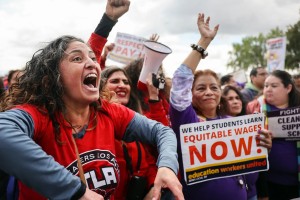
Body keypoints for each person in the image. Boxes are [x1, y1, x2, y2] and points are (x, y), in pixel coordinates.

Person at [0, 34, 184, 200]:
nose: (92, 63)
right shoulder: (39, 115)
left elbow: (162, 132)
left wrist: (167, 166)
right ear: (51, 78)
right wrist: (77, 192)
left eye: (93, 58)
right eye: (77, 58)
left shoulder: (109, 112)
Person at [169, 13, 271, 200]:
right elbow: (181, 81)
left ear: (220, 93)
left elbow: (250, 177)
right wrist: (203, 43)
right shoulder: (187, 121)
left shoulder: (233, 122)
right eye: (201, 88)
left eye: (214, 87)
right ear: (190, 95)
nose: (209, 92)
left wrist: (261, 149)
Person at [100, 66, 158, 199]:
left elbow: (149, 162)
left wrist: (153, 187)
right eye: (115, 81)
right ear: (101, 87)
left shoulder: (136, 122)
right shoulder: (96, 122)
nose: (122, 85)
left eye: (126, 82)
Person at [247, 70, 300, 200]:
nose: (268, 89)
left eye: (274, 86)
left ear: (288, 88)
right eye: (266, 86)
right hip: (268, 183)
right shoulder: (254, 109)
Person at [222, 85, 271, 200]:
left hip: (252, 191)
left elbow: (261, 162)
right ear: (222, 103)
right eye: (230, 99)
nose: (235, 102)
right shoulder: (215, 130)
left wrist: (266, 147)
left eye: (237, 98)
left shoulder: (252, 125)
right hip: (233, 192)